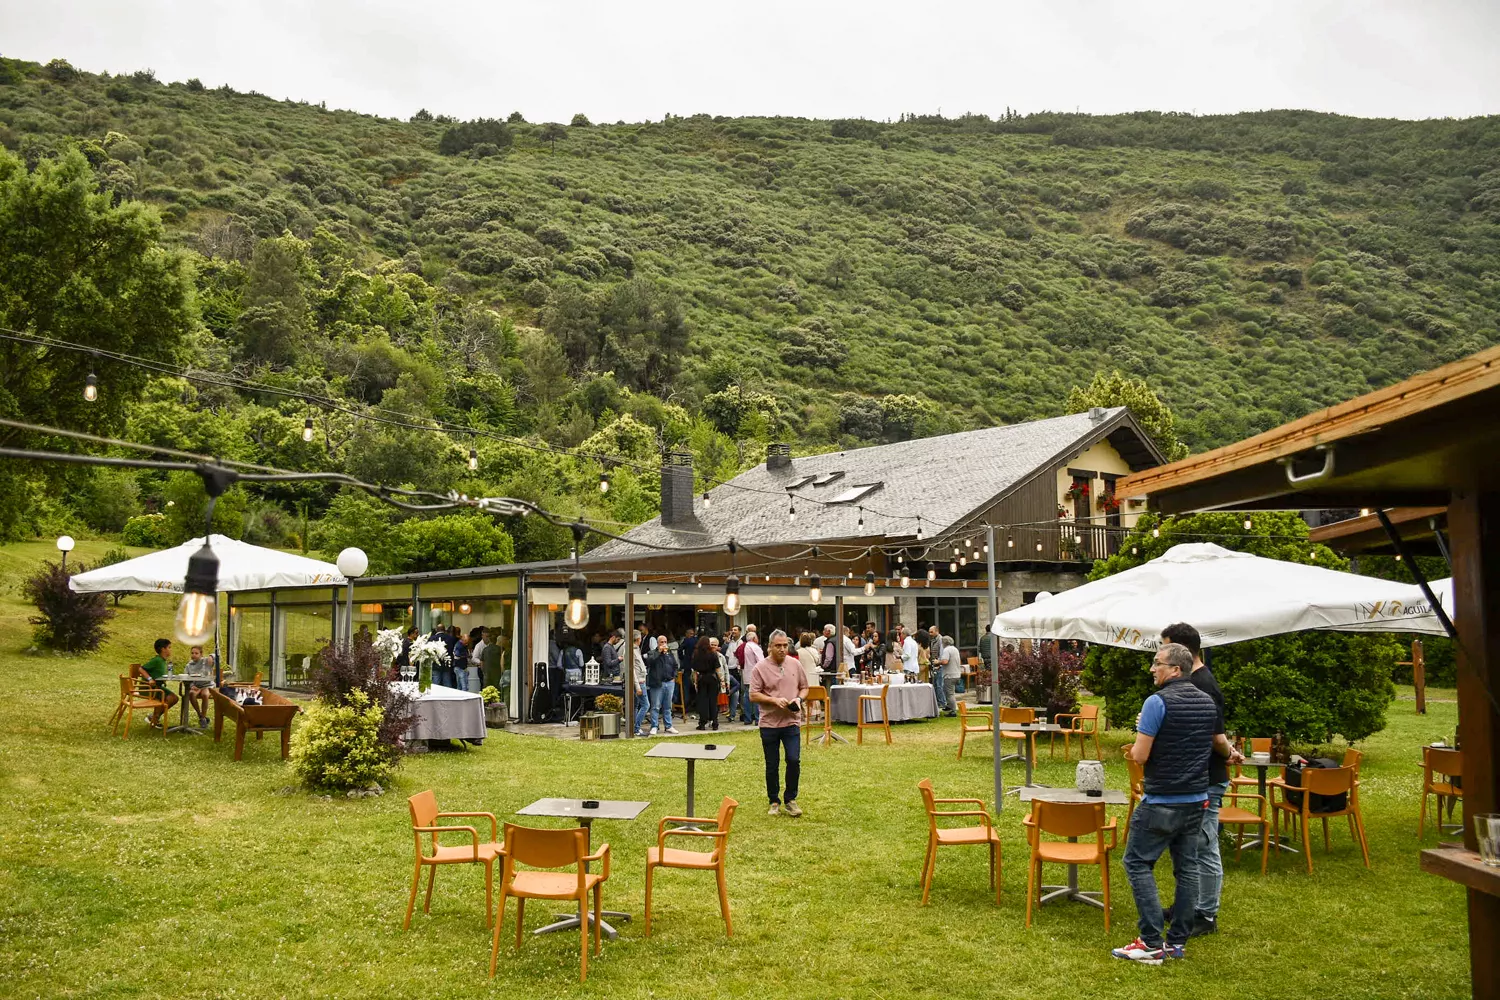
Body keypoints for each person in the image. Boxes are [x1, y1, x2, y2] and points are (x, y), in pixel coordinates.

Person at [1113, 643, 1240, 965]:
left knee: (1137, 863)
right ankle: (1177, 942)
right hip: (1197, 799)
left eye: (1157, 664)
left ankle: (1152, 941)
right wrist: (1232, 755)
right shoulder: (1207, 701)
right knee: (1188, 868)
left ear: (1176, 670)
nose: (1152, 669)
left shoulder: (1157, 702)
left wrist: (1145, 730)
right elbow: (1218, 744)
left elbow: (1140, 755)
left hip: (1162, 799)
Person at [1162, 622, 1230, 937]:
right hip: (1192, 777)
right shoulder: (1194, 681)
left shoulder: (1205, 685)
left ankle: (1206, 914)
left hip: (1208, 778)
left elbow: (1217, 737)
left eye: (1164, 646)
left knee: (1205, 845)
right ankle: (1186, 904)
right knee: (1188, 847)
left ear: (1182, 651)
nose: (1159, 653)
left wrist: (1230, 751)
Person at [750, 629, 808, 817]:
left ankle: (791, 799)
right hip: (769, 723)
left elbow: (804, 687)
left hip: (791, 721)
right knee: (772, 764)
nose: (783, 649)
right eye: (778, 646)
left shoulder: (795, 664)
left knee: (793, 760)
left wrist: (799, 699)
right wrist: (774, 700)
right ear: (769, 647)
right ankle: (774, 800)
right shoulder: (760, 667)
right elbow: (753, 694)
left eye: (785, 645)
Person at [139, 637, 179, 728]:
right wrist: (149, 679)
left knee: (174, 698)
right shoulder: (157, 660)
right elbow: (141, 669)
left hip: (157, 687)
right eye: (169, 647)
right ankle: (154, 718)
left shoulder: (163, 661)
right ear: (163, 649)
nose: (170, 649)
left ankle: (154, 718)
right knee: (172, 698)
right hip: (148, 688)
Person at [646, 635, 678, 735]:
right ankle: (654, 726)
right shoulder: (652, 653)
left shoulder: (670, 653)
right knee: (655, 706)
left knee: (668, 706)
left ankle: (668, 726)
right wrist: (659, 652)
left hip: (669, 682)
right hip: (657, 683)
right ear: (658, 643)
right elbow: (649, 662)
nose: (664, 644)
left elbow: (675, 665)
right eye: (661, 642)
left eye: (665, 641)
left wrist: (674, 676)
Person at [692, 636, 723, 730]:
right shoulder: (713, 654)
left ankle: (702, 723)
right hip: (712, 678)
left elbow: (694, 670)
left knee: (703, 701)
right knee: (713, 701)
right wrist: (722, 680)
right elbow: (718, 668)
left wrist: (695, 682)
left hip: (701, 678)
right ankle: (715, 722)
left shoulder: (696, 654)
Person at [184, 644, 215, 728]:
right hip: (196, 686)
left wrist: (211, 656)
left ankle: (204, 717)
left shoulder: (206, 661)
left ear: (201, 654)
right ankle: (200, 716)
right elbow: (185, 678)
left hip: (207, 685)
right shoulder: (188, 665)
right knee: (191, 693)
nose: (193, 655)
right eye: (192, 653)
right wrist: (191, 685)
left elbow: (217, 656)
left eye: (196, 653)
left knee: (205, 695)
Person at [737, 627, 763, 725]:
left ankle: (747, 718)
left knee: (746, 696)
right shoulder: (755, 647)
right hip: (755, 674)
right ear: (754, 638)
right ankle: (757, 718)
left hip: (746, 673)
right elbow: (761, 661)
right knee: (756, 696)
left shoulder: (742, 646)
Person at [630, 633, 651, 736]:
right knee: (645, 705)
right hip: (639, 682)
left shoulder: (635, 649)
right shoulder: (631, 651)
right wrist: (637, 686)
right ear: (638, 639)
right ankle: (636, 728)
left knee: (637, 705)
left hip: (640, 680)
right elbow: (632, 670)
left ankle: (635, 728)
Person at [937, 636, 962, 718]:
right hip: (956, 674)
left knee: (950, 693)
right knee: (947, 690)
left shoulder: (946, 650)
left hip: (949, 675)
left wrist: (937, 662)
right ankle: (949, 706)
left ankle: (953, 711)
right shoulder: (955, 649)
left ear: (944, 643)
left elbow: (945, 661)